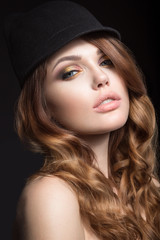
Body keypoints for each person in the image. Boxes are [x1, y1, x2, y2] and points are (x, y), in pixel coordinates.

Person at [4, 1, 160, 239]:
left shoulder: (149, 189)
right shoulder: (51, 196)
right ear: (42, 106)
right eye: (71, 72)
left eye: (106, 61)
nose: (101, 77)